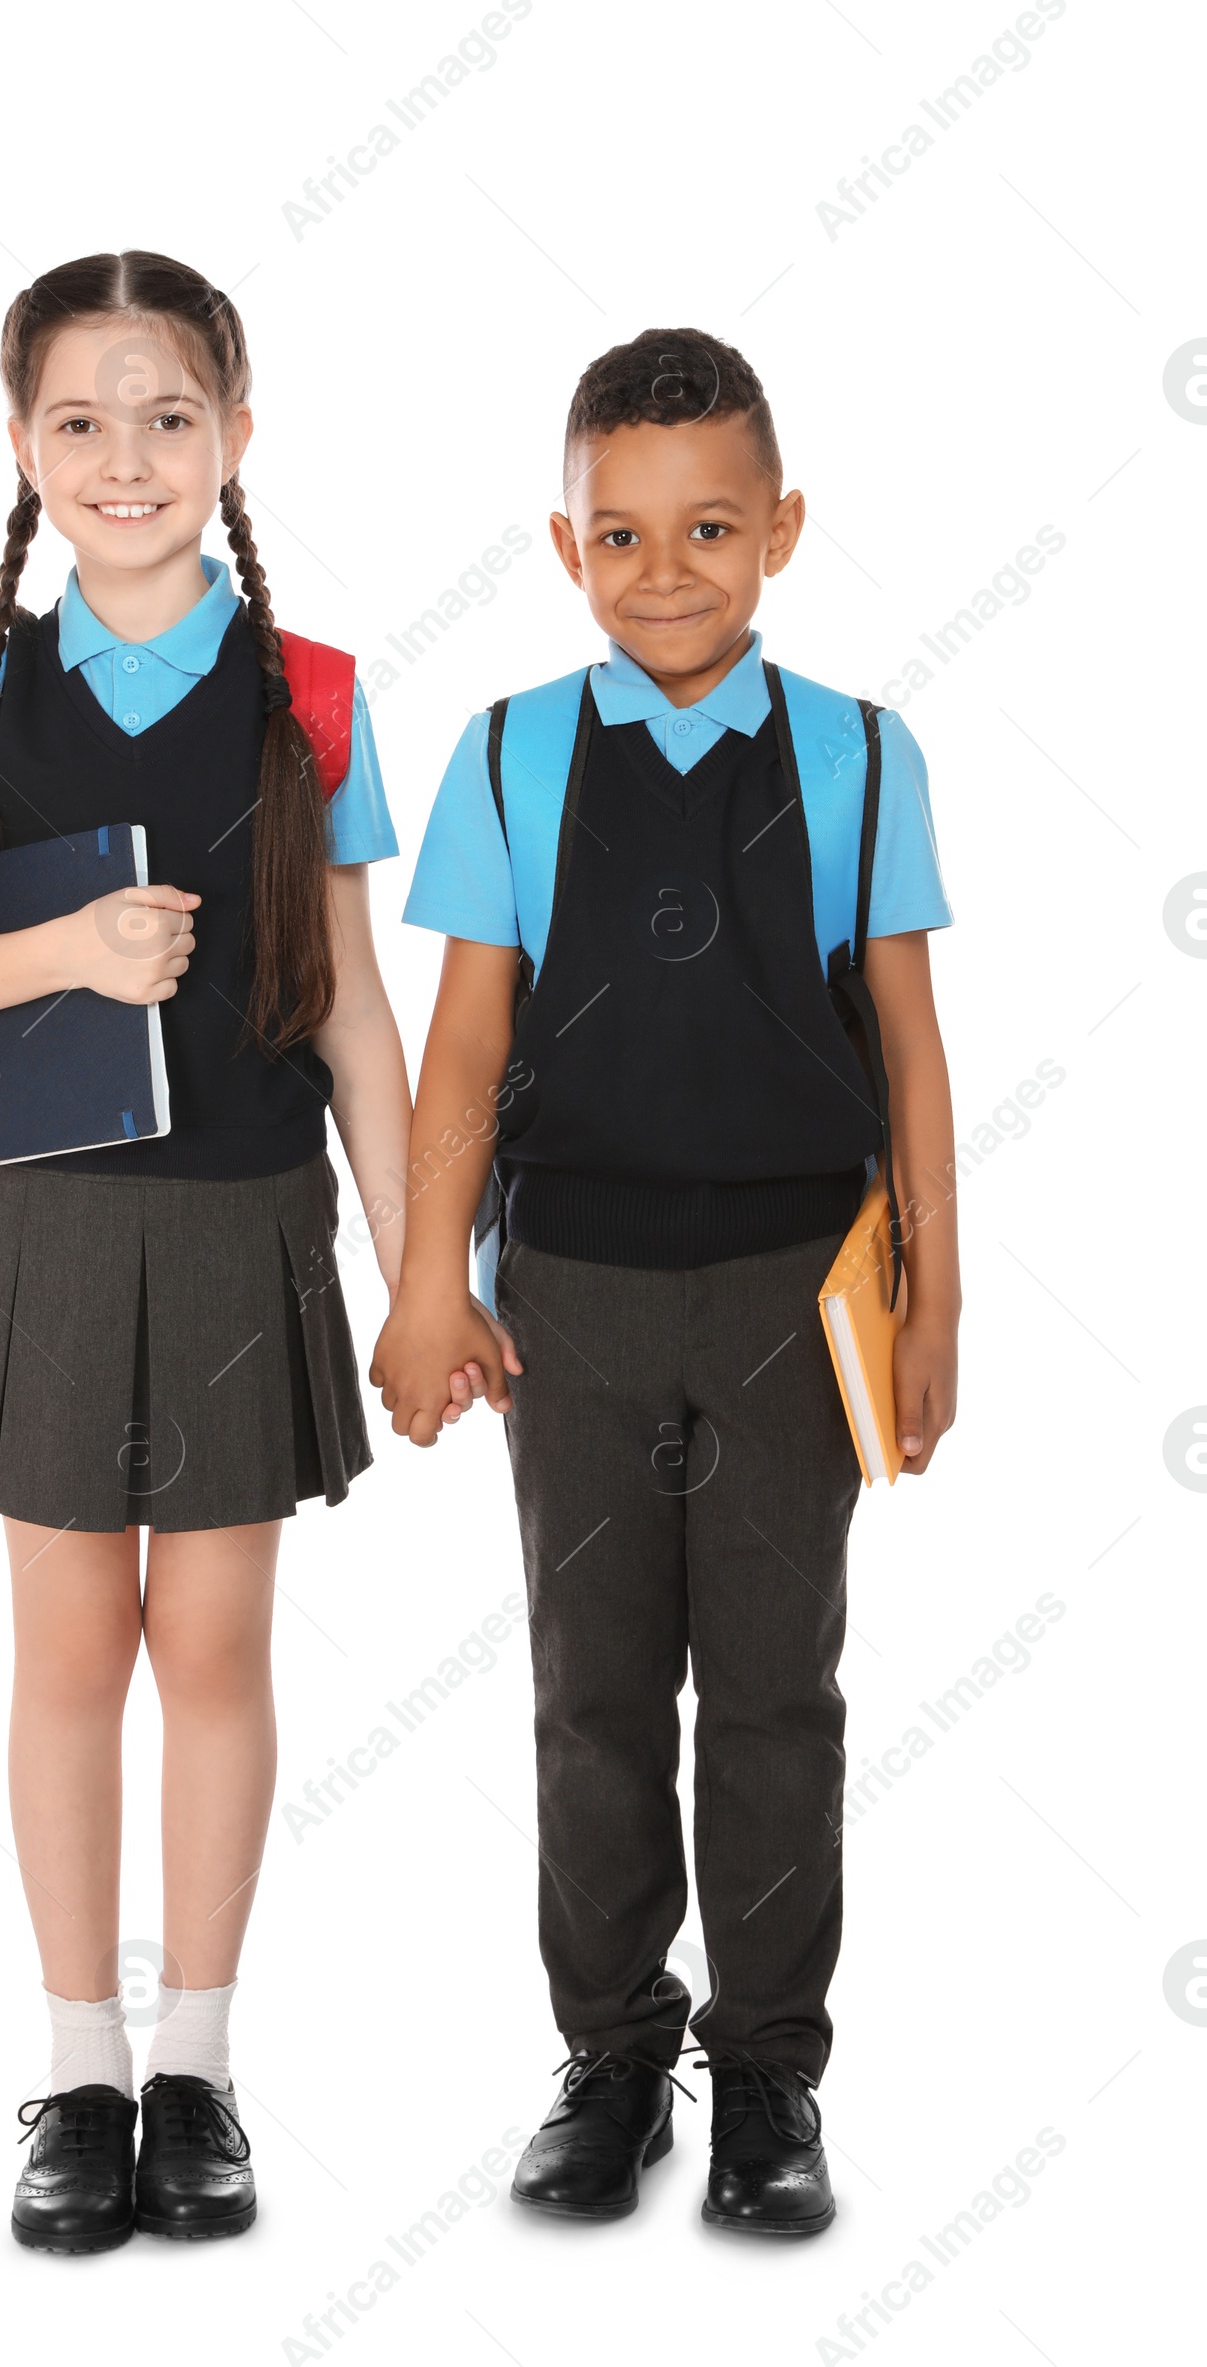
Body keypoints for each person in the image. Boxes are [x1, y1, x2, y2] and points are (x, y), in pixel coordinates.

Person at [0, 251, 409, 2252]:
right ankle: (81, 2071)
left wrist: (427, 1266)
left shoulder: (313, 696)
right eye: (75, 419)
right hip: (41, 1224)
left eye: (169, 414)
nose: (124, 455)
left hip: (248, 1217)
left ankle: (199, 2066)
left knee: (218, 1646)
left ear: (235, 437)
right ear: (20, 449)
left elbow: (352, 1012)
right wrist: (67, 950)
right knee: (72, 1646)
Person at [372, 327, 958, 2235]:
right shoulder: (515, 753)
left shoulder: (866, 757)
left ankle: (769, 2075)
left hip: (801, 1293)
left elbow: (911, 1044)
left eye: (711, 525)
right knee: (594, 1689)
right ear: (568, 550)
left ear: (781, 527)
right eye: (621, 536)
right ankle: (614, 2052)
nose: (669, 571)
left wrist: (935, 1295)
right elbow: (463, 1052)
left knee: (781, 1694)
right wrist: (428, 1284)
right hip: (574, 1300)